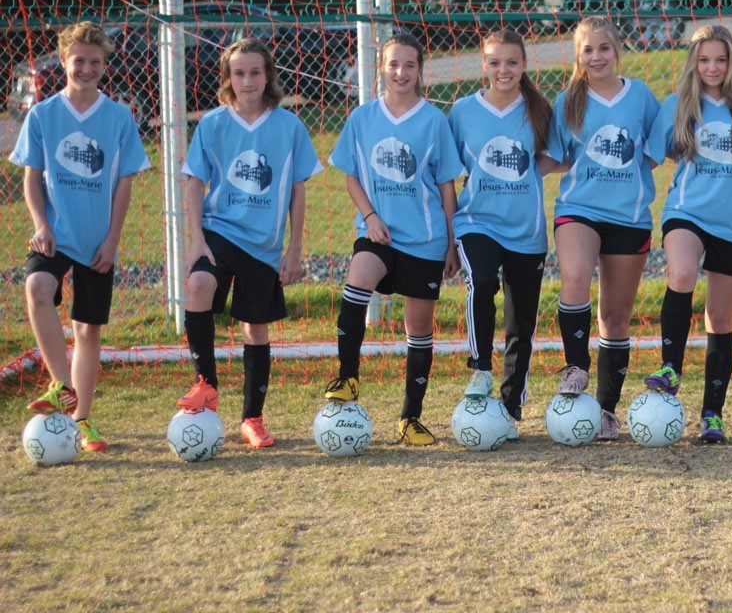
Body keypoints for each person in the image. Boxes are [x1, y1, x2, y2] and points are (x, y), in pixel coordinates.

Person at [175, 38, 322, 448]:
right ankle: (205, 383)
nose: (247, 80)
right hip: (219, 231)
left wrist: (293, 250)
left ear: (268, 76)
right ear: (227, 78)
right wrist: (196, 241)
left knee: (255, 327)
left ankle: (252, 420)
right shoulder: (212, 124)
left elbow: (296, 190)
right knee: (198, 286)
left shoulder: (289, 126)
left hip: (263, 243)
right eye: (238, 73)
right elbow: (193, 183)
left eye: (255, 72)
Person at [13, 22, 150, 452]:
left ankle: (83, 420)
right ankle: (60, 384)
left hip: (96, 240)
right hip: (54, 234)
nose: (86, 68)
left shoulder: (118, 117)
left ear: (104, 66)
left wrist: (112, 240)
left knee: (87, 331)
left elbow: (124, 183)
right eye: (79, 61)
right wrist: (41, 225)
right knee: (37, 286)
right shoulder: (43, 114)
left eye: (95, 62)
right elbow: (31, 178)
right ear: (64, 62)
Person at [322, 33, 464, 446]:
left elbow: (446, 187)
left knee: (417, 328)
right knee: (358, 277)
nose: (400, 72)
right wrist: (369, 217)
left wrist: (452, 244)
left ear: (421, 71)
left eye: (409, 65)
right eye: (393, 64)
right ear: (380, 69)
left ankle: (410, 418)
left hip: (425, 239)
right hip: (378, 234)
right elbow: (350, 173)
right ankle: (348, 378)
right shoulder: (362, 118)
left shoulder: (434, 120)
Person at [642, 25, 732, 443]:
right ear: (694, 62)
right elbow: (651, 156)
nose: (713, 67)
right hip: (686, 212)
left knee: (720, 318)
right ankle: (670, 366)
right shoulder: (677, 105)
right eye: (705, 59)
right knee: (681, 273)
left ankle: (712, 415)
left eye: (721, 59)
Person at [549, 16, 662, 441]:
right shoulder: (568, 100)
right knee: (575, 275)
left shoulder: (641, 97)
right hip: (578, 208)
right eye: (587, 50)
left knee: (615, 316)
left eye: (603, 48)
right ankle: (576, 366)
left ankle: (607, 410)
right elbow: (557, 156)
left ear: (617, 51)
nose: (596, 57)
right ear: (578, 57)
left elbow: (652, 152)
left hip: (629, 215)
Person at [451, 29, 561, 440]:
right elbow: (449, 170)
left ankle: (511, 408)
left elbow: (557, 155)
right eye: (495, 62)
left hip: (526, 230)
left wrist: (531, 172)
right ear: (484, 65)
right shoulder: (463, 111)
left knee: (521, 323)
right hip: (476, 221)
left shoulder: (538, 110)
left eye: (511, 62)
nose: (503, 70)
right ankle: (480, 369)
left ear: (524, 66)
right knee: (480, 281)